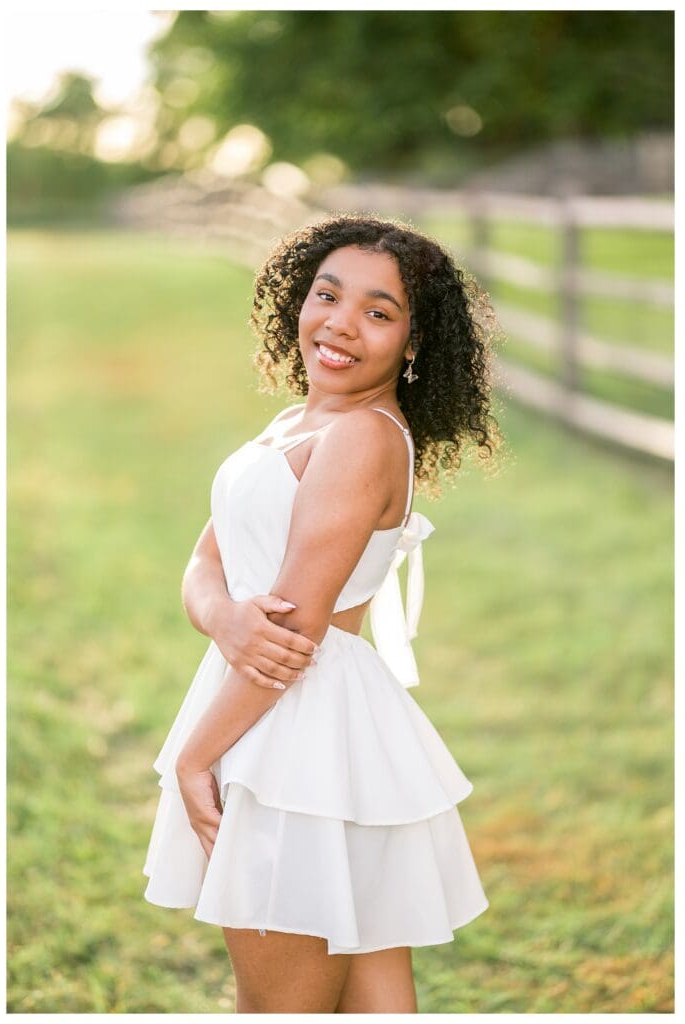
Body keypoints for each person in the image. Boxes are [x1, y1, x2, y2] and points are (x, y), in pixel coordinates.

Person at [143, 214, 503, 1013]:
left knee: (280, 1004)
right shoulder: (298, 425)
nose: (340, 324)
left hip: (292, 732)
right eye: (326, 296)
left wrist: (194, 759)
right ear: (295, 303)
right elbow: (205, 563)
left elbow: (295, 633)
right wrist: (224, 618)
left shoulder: (361, 440)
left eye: (378, 313)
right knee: (371, 993)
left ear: (413, 345)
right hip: (299, 716)